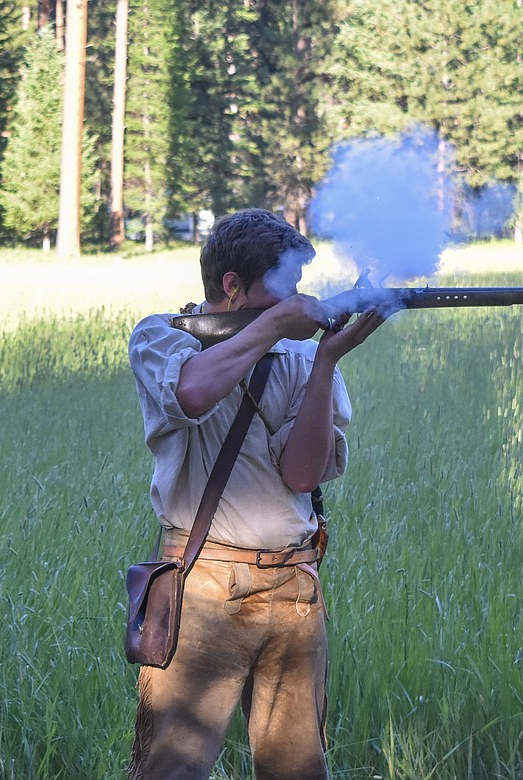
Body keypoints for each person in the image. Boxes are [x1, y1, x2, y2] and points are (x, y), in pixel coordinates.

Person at [127, 209, 385, 779]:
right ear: (231, 285)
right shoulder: (160, 336)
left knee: (297, 768)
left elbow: (302, 474)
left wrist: (324, 361)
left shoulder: (298, 352)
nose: (296, 297)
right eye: (283, 284)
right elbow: (191, 394)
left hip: (295, 586)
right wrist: (273, 327)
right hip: (202, 585)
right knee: (171, 768)